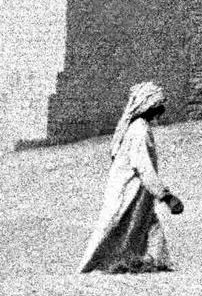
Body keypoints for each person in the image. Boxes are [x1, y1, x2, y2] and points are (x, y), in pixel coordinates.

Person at [76, 80, 183, 273]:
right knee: (113, 227)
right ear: (149, 107)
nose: (162, 111)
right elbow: (144, 168)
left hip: (139, 192)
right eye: (158, 106)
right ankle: (90, 267)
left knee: (147, 224)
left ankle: (157, 263)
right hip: (127, 191)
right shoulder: (139, 131)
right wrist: (166, 196)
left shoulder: (140, 128)